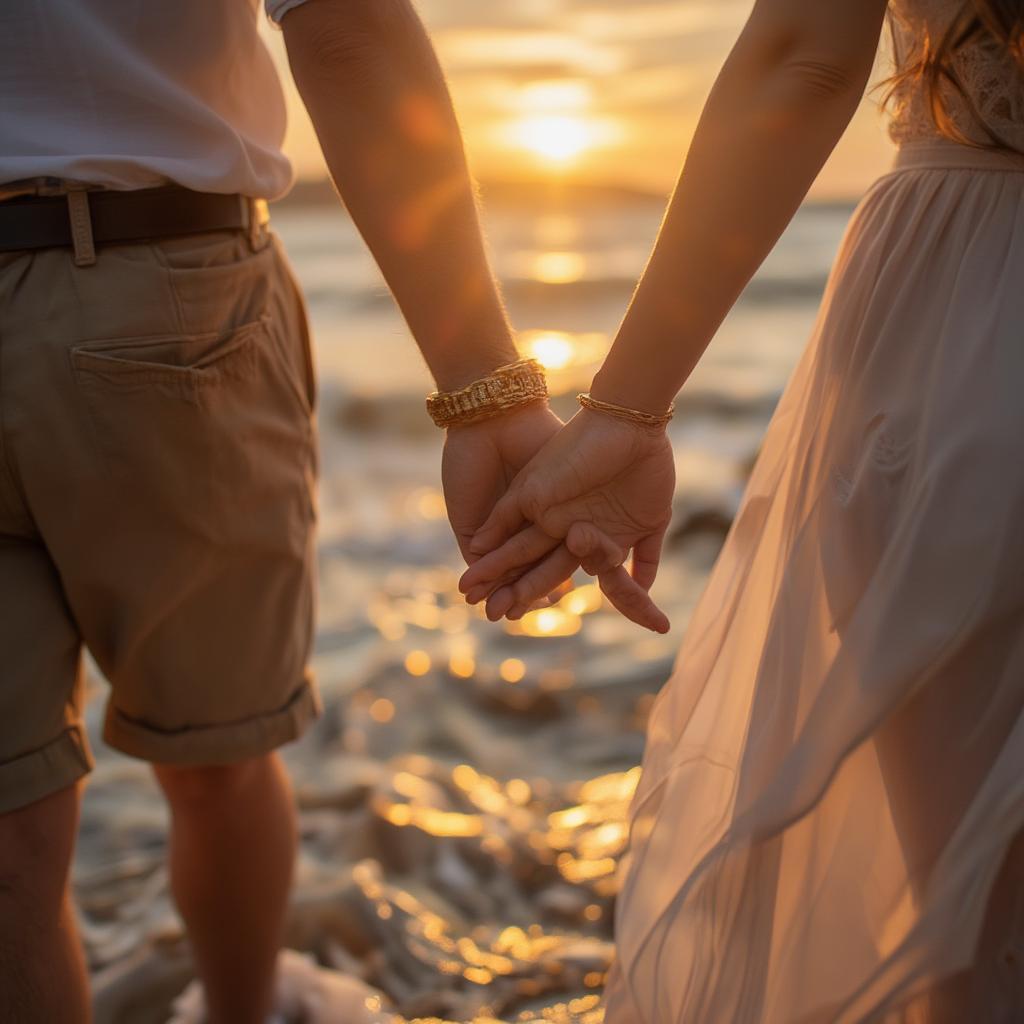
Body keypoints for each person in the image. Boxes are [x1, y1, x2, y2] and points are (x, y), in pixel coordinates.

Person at [0, 2, 564, 1021]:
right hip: (155, 292)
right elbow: (348, 29)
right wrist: (488, 387)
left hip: (155, 293)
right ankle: (242, 1010)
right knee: (219, 754)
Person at [462, 0, 1024, 1018]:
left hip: (963, 321)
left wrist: (624, 410)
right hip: (955, 335)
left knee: (977, 923)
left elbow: (800, 57)